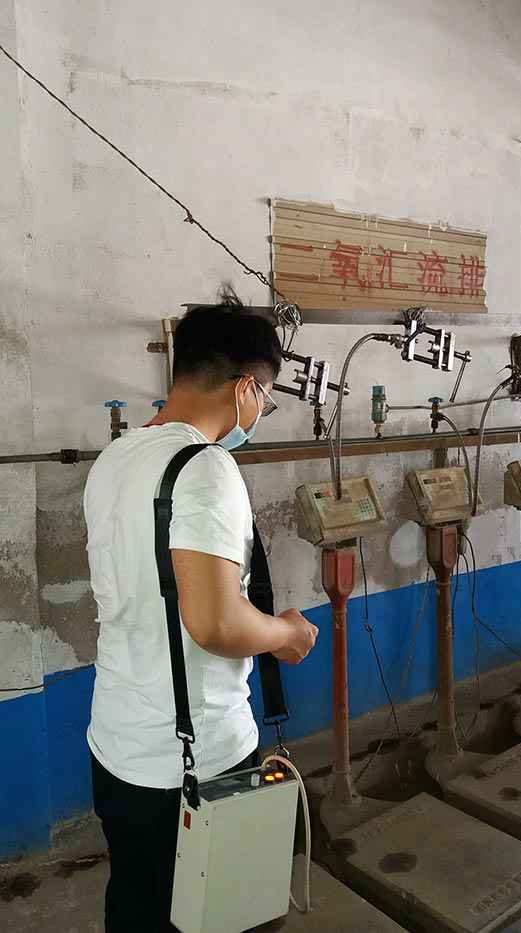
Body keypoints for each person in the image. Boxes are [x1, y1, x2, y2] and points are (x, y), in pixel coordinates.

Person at [84, 294, 318, 933]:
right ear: (245, 387)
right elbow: (215, 622)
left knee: (138, 906)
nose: (260, 413)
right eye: (265, 398)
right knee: (223, 916)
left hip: (118, 748)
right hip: (196, 760)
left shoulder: (116, 457)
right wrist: (284, 634)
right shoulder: (206, 467)